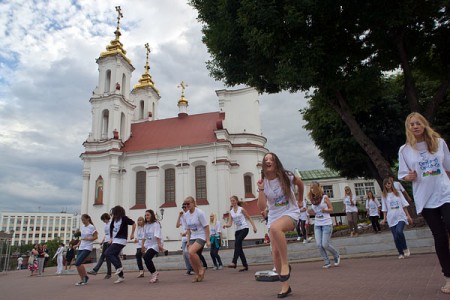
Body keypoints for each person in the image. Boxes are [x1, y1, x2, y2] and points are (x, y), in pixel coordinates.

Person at [398, 112, 450, 294]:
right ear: (408, 128)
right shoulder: (404, 150)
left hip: (445, 193)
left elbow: (448, 169)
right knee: (440, 238)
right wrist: (408, 176)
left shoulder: (439, 143)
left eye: (418, 123)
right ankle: (449, 277)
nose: (415, 126)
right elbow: (402, 174)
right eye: (411, 124)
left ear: (424, 124)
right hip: (426, 200)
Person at [257, 152, 304, 298]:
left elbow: (300, 184)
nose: (269, 161)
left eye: (271, 159)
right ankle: (285, 286)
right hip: (274, 216)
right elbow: (261, 206)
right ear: (264, 165)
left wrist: (300, 199)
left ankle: (285, 264)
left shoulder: (286, 175)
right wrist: (261, 189)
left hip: (290, 212)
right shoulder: (263, 182)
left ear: (276, 162)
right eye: (266, 160)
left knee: (276, 228)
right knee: (275, 253)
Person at [308, 181, 340, 270]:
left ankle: (336, 254)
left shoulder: (324, 197)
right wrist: (309, 211)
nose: (312, 190)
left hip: (326, 223)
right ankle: (326, 261)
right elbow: (315, 212)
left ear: (317, 188)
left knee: (325, 244)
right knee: (319, 244)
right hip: (317, 223)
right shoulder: (312, 199)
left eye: (313, 188)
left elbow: (331, 209)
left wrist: (325, 210)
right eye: (311, 188)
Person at [223, 195, 257, 272]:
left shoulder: (241, 209)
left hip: (244, 228)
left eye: (234, 201)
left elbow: (249, 217)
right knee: (239, 248)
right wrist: (226, 225)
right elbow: (230, 223)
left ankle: (234, 262)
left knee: (237, 243)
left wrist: (254, 227)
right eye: (231, 201)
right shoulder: (231, 212)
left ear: (237, 201)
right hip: (237, 231)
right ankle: (245, 266)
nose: (233, 202)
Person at [380, 178, 412, 259]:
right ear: (384, 185)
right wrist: (384, 219)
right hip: (391, 218)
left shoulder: (398, 193)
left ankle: (405, 248)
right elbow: (384, 208)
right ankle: (400, 253)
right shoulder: (384, 196)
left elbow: (404, 205)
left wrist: (408, 216)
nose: (388, 184)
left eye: (389, 183)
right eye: (386, 183)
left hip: (400, 216)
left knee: (399, 232)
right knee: (395, 237)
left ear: (392, 184)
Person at [104, 205, 136, 284]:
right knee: (115, 255)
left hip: (121, 239)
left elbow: (134, 223)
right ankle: (121, 276)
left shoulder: (124, 218)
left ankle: (119, 267)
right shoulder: (114, 219)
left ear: (118, 212)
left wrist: (132, 234)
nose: (113, 215)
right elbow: (111, 229)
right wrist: (111, 238)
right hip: (115, 240)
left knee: (108, 253)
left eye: (114, 213)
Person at [184, 196, 210, 283]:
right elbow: (188, 229)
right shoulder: (186, 215)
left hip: (201, 235)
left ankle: (201, 269)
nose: (187, 205)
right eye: (185, 204)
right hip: (193, 236)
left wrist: (208, 240)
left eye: (188, 203)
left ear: (193, 203)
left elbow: (206, 226)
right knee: (189, 255)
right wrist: (188, 241)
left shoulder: (199, 213)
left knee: (191, 252)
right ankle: (197, 274)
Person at [73, 214, 98, 286]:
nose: (83, 221)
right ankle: (83, 278)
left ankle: (85, 278)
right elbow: (82, 238)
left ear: (88, 219)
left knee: (78, 262)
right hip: (81, 246)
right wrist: (77, 244)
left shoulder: (91, 227)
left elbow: (96, 237)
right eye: (82, 220)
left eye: (83, 220)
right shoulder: (82, 227)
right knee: (78, 264)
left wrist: (89, 239)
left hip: (88, 247)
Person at [142, 209, 164, 283]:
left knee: (146, 257)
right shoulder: (145, 225)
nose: (146, 216)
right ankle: (154, 272)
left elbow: (157, 235)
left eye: (148, 215)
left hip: (156, 243)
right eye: (145, 215)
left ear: (152, 215)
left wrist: (160, 246)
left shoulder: (156, 224)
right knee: (144, 257)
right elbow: (144, 237)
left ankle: (154, 274)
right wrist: (142, 246)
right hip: (149, 244)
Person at [87, 213, 112, 279]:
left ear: (106, 218)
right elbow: (106, 234)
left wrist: (111, 240)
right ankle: (106, 272)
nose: (103, 221)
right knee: (105, 256)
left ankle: (97, 270)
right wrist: (102, 241)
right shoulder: (105, 225)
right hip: (106, 242)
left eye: (103, 219)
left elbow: (112, 233)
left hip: (110, 242)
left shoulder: (111, 224)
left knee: (106, 257)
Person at [176, 202, 194, 275]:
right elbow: (177, 225)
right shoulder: (182, 216)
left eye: (185, 207)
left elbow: (190, 228)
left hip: (191, 237)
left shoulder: (190, 215)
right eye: (183, 207)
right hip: (184, 239)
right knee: (184, 253)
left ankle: (194, 268)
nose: (184, 209)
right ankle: (188, 269)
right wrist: (179, 216)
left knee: (189, 253)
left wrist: (185, 233)